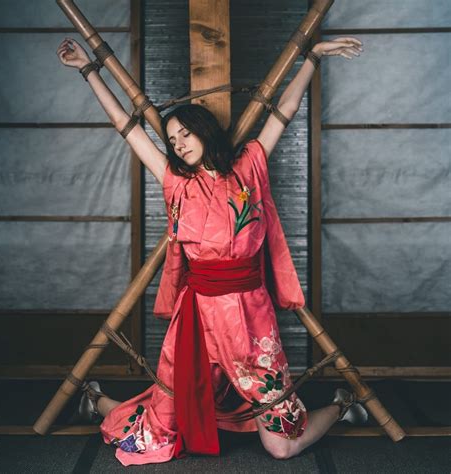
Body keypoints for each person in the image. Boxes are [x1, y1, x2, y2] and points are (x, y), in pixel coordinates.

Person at [57, 34, 364, 466]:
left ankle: (342, 404)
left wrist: (313, 57)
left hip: (251, 321)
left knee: (282, 446)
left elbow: (285, 111)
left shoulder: (249, 165)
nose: (178, 142)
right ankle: (96, 399)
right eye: (171, 138)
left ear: (204, 130)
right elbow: (126, 127)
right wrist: (88, 70)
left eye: (185, 133)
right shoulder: (175, 183)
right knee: (155, 435)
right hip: (197, 318)